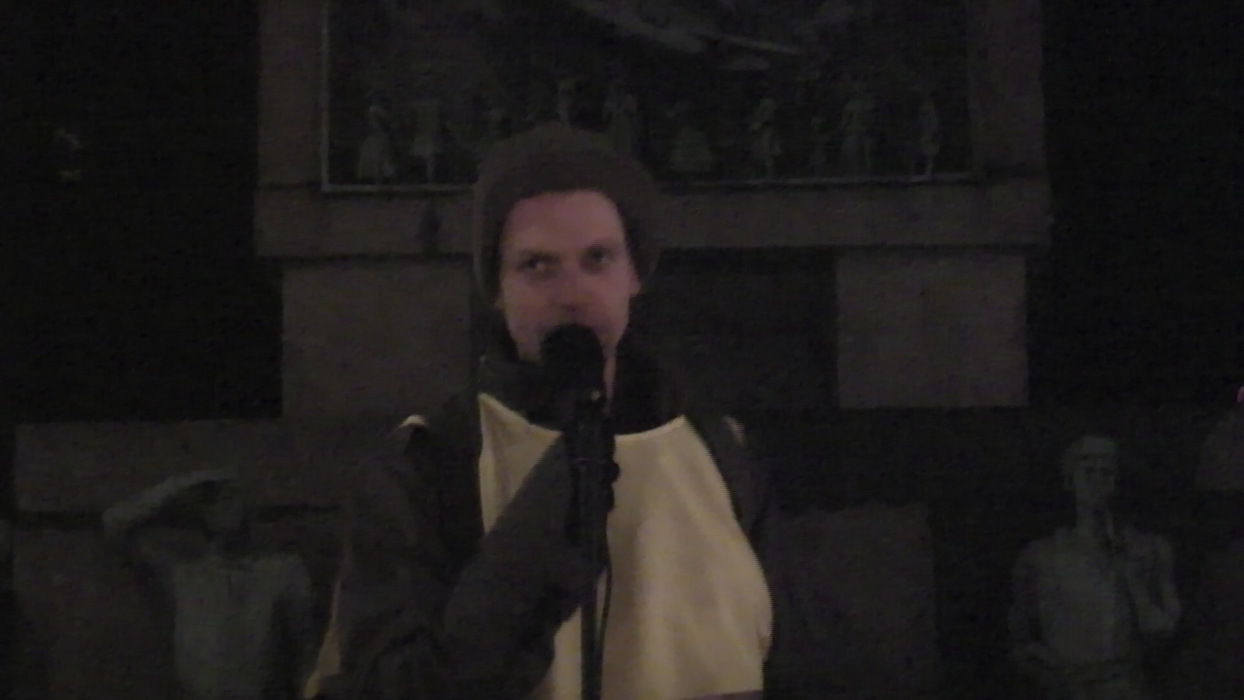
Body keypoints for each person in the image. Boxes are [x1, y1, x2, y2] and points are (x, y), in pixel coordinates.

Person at [314, 123, 794, 699]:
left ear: (635, 274)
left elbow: (784, 657)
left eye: (598, 259)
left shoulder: (721, 450)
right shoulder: (428, 465)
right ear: (497, 288)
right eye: (538, 266)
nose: (572, 294)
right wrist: (534, 538)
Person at [103, 470, 318, 700]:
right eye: (216, 501)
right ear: (202, 513)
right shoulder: (183, 573)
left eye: (232, 498)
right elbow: (115, 522)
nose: (226, 508)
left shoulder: (281, 571)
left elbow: (306, 652)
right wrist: (183, 485)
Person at [1008, 436, 1181, 700]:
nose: (1097, 480)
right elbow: (1020, 640)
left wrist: (1134, 581)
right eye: (1088, 471)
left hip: (1126, 688)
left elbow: (1164, 630)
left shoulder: (1150, 549)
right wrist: (1056, 676)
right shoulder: (1040, 556)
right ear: (1070, 480)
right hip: (1066, 688)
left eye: (1106, 472)